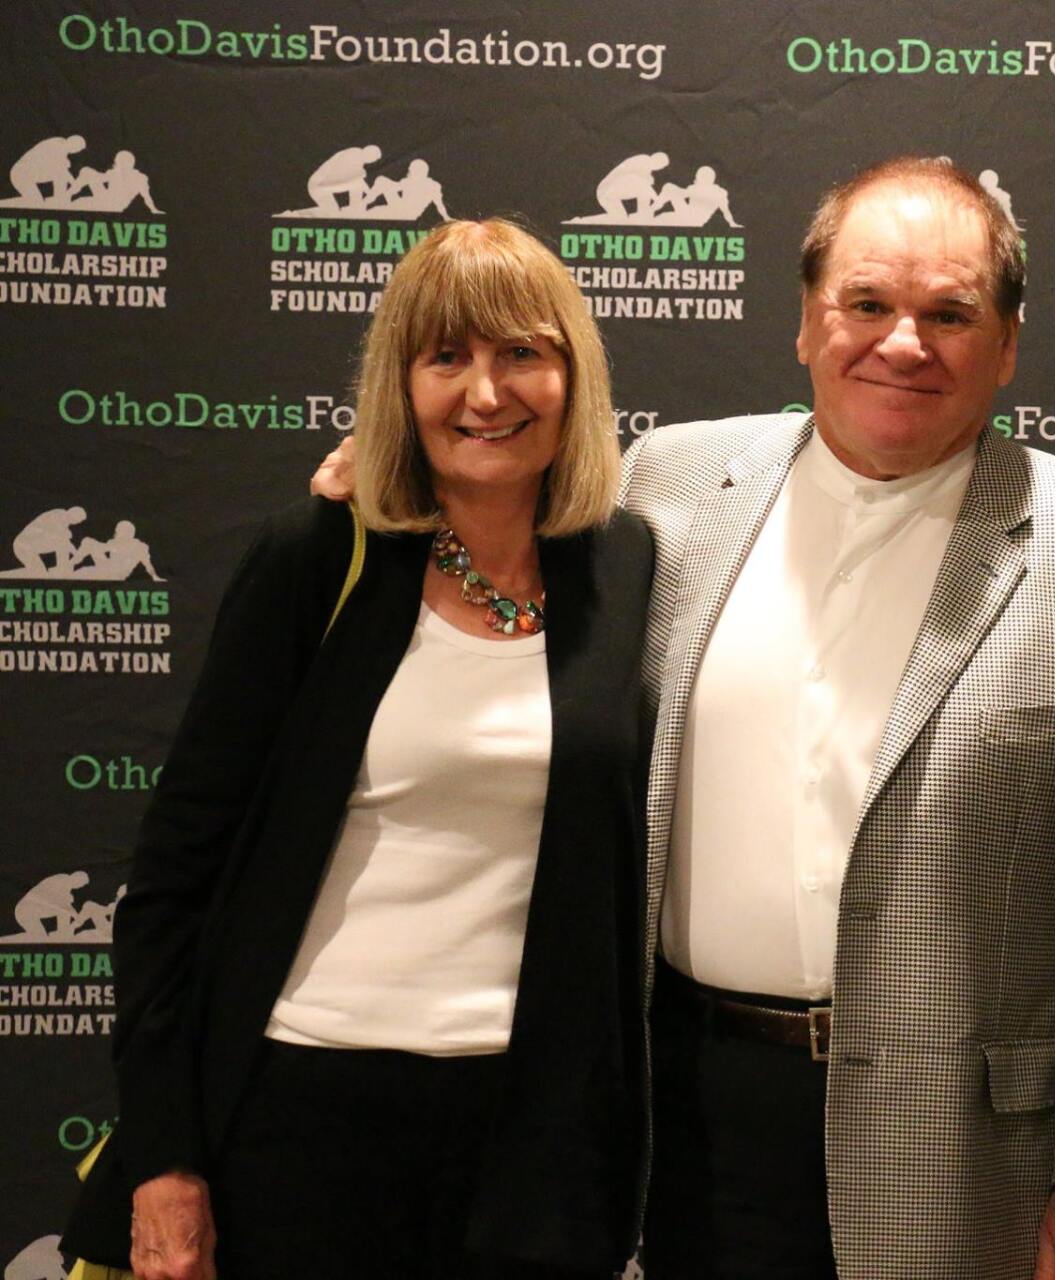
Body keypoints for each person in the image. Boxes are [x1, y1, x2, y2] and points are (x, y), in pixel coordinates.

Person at [320, 155, 1055, 1278]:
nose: (902, 343)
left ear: (1007, 344)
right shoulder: (662, 488)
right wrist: (378, 484)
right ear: (807, 324)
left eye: (949, 313)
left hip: (958, 1156)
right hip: (679, 1120)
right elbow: (487, 513)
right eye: (865, 303)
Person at [65, 219, 654, 1280]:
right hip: (300, 1118)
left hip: (533, 1143)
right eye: (447, 358)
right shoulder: (317, 555)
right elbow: (171, 881)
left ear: (574, 373)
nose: (486, 392)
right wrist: (163, 1155)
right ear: (401, 382)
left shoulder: (627, 565)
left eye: (521, 351)